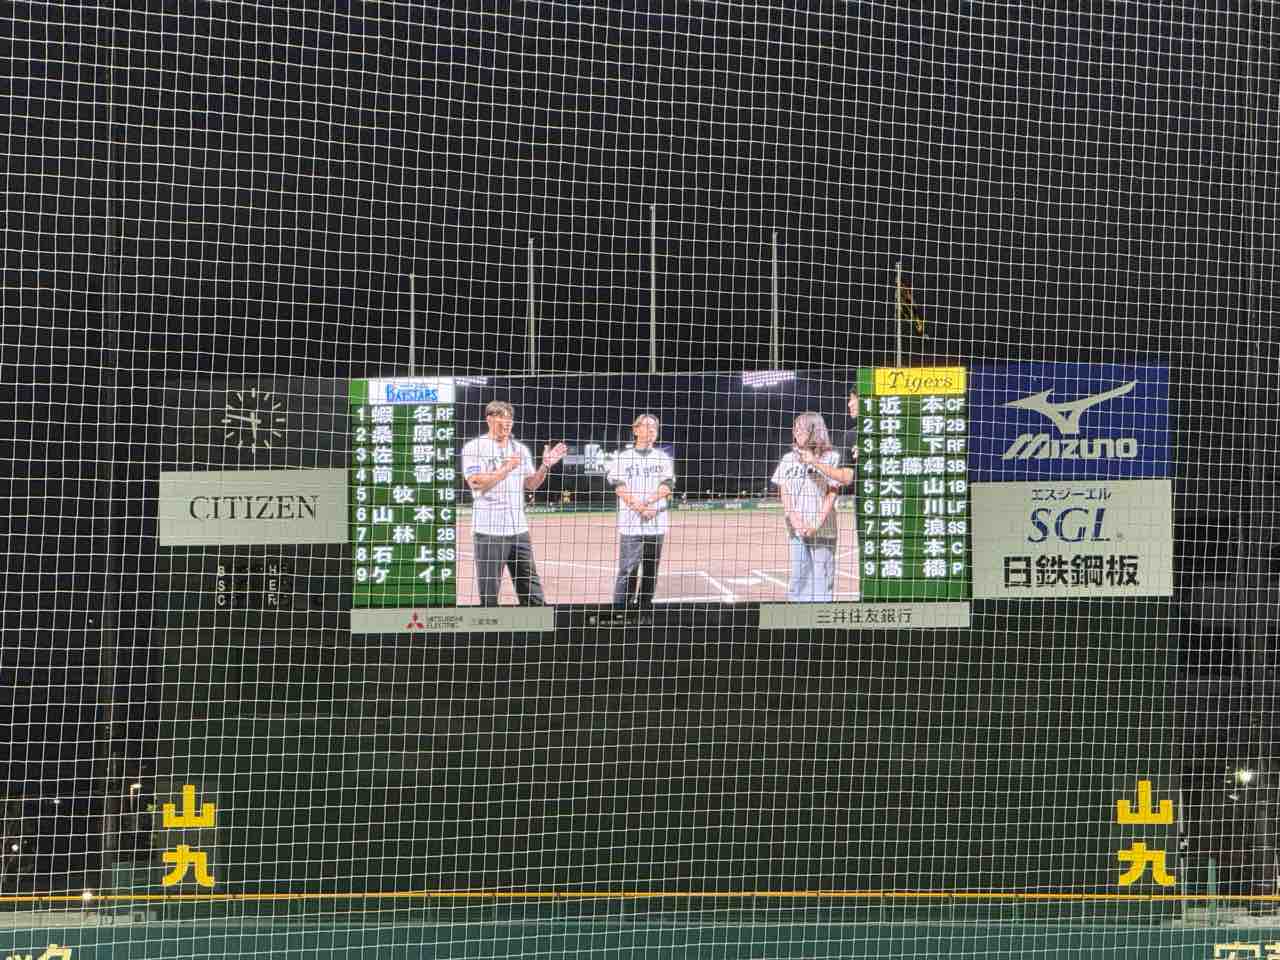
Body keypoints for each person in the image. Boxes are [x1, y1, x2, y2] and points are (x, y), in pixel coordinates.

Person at [461, 400, 568, 606]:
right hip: (489, 531)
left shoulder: (519, 449)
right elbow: (475, 482)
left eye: (510, 418)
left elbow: (531, 484)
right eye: (502, 418)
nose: (507, 423)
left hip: (519, 530)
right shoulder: (475, 447)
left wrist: (545, 466)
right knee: (490, 595)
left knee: (533, 593)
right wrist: (506, 468)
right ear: (489, 419)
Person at [772, 412, 843, 602]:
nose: (796, 432)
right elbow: (784, 489)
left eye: (801, 428)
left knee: (822, 579)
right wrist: (794, 518)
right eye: (794, 428)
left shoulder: (832, 458)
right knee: (799, 578)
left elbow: (832, 492)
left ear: (814, 430)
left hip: (823, 529)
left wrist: (816, 523)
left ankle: (820, 618)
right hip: (796, 529)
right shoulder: (788, 459)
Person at [607, 414, 676, 606]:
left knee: (650, 572)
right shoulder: (623, 458)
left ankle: (644, 611)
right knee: (628, 570)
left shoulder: (663, 458)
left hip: (656, 524)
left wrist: (649, 502)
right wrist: (639, 507)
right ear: (636, 430)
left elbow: (667, 485)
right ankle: (621, 612)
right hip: (631, 525)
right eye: (646, 425)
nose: (651, 429)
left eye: (654, 427)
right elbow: (619, 486)